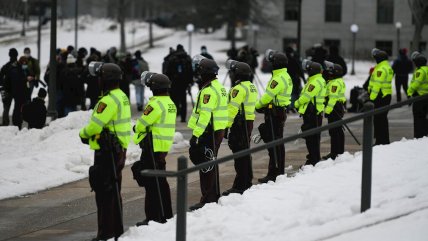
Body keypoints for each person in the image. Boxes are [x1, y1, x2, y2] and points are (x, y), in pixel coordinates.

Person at [79, 63, 131, 241]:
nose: (98, 80)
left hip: (107, 152)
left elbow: (95, 126)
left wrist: (82, 133)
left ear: (105, 79)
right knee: (114, 191)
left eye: (99, 77)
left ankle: (105, 233)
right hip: (119, 149)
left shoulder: (108, 100)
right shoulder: (121, 96)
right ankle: (115, 229)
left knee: (104, 193)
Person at [132, 71, 176, 226]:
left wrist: (135, 128)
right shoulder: (170, 103)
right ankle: (165, 214)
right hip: (162, 147)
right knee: (161, 182)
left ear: (154, 88)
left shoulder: (155, 104)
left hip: (152, 147)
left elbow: (142, 123)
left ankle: (153, 217)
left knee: (151, 184)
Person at [188, 55, 227, 210]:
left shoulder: (208, 91)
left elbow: (204, 115)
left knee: (206, 166)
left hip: (208, 131)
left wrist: (195, 135)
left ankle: (208, 199)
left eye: (200, 71)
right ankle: (213, 194)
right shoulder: (219, 87)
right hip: (217, 129)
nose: (198, 74)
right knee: (211, 163)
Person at [255, 50, 293, 183]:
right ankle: (278, 170)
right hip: (280, 112)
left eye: (272, 62)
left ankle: (274, 172)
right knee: (278, 143)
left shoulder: (277, 78)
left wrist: (258, 106)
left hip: (274, 114)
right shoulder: (286, 75)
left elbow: (267, 97)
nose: (270, 64)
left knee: (273, 144)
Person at [223, 60, 258, 195]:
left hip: (239, 123)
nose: (231, 75)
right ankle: (246, 181)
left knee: (239, 155)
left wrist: (226, 127)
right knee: (245, 152)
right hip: (247, 121)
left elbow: (232, 109)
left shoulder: (238, 89)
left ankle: (240, 186)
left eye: (232, 72)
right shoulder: (251, 86)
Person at [294, 60, 326, 166]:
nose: (307, 72)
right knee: (313, 138)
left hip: (312, 114)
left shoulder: (315, 82)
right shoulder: (317, 80)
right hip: (314, 113)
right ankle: (313, 158)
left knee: (311, 138)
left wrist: (296, 103)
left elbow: (306, 96)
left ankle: (313, 160)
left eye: (308, 70)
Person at [368, 48, 393, 145]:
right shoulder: (387, 67)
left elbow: (377, 85)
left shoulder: (381, 69)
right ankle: (384, 140)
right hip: (386, 95)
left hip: (380, 96)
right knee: (382, 119)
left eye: (377, 58)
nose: (375, 59)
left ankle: (380, 141)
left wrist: (371, 98)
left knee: (379, 119)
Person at [322, 62, 346, 160]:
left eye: (331, 70)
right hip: (338, 107)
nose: (328, 71)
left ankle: (334, 153)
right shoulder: (338, 81)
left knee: (334, 131)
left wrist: (327, 110)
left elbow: (333, 98)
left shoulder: (334, 83)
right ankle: (339, 151)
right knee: (338, 130)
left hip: (334, 107)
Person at [0, 48, 27, 129]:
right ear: (17, 55)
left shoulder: (5, 66)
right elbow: (23, 78)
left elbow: (0, 78)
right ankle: (17, 123)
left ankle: (5, 124)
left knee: (6, 107)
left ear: (9, 55)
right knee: (17, 108)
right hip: (17, 90)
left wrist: (3, 87)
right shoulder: (19, 66)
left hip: (6, 90)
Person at [166, 44, 193, 122]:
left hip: (174, 82)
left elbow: (168, 71)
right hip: (184, 83)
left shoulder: (173, 58)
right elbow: (190, 71)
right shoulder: (187, 58)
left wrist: (169, 81)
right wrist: (190, 82)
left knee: (175, 99)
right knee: (183, 100)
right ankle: (183, 117)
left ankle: (176, 114)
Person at [407, 51, 428, 138]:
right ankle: (424, 134)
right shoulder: (426, 70)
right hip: (426, 97)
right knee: (424, 118)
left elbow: (415, 84)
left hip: (419, 98)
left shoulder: (420, 72)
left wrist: (409, 94)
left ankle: (419, 136)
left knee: (418, 118)